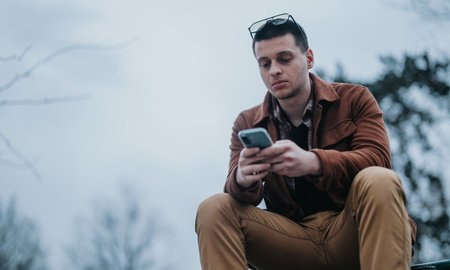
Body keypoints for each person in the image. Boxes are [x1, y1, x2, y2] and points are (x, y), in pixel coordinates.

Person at [195, 13, 417, 270]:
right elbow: (236, 198)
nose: (274, 70)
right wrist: (242, 180)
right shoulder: (246, 122)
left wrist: (314, 162)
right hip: (292, 244)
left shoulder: (355, 98)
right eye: (264, 64)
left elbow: (378, 161)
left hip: (353, 233)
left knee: (379, 179)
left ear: (309, 58)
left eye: (284, 59)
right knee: (213, 208)